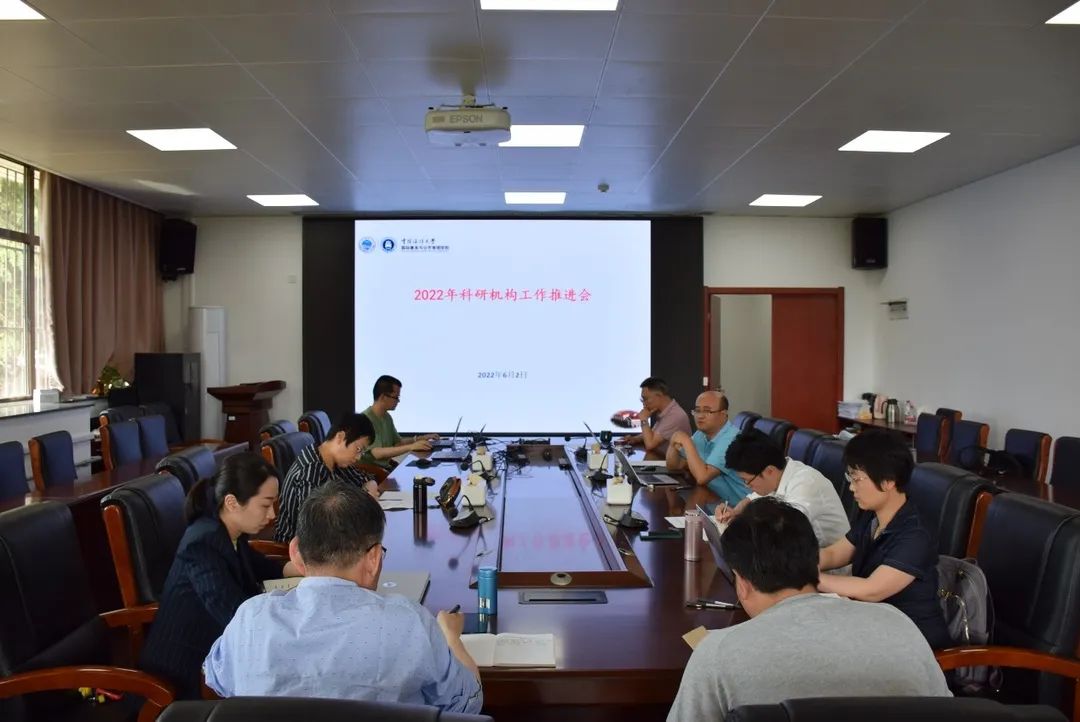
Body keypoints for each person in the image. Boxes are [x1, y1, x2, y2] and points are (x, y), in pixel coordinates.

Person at [205, 481, 483, 713]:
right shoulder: (410, 623)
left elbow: (217, 678)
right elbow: (466, 703)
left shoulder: (250, 618)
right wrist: (452, 638)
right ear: (374, 558)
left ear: (295, 553)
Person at [667, 497, 950, 722]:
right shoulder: (899, 624)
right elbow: (947, 711)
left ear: (742, 583)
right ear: (814, 561)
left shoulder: (717, 654)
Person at [140, 452, 299, 699]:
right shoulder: (202, 542)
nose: (272, 515)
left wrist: (304, 568)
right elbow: (232, 613)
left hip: (217, 649)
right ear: (232, 502)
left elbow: (263, 568)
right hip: (186, 673)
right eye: (265, 505)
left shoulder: (231, 531)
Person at [818, 429, 952, 649]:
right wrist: (797, 562)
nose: (851, 487)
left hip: (915, 644)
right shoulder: (872, 516)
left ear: (888, 481)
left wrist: (809, 576)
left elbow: (872, 589)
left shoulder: (915, 534)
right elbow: (835, 554)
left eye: (857, 478)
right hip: (876, 628)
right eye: (850, 477)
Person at [718, 429, 850, 547]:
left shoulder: (805, 485)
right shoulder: (777, 474)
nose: (746, 486)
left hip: (828, 562)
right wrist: (736, 512)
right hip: (797, 555)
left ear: (769, 471)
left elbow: (782, 533)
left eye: (747, 481)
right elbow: (752, 498)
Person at [275, 412, 380, 543]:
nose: (358, 457)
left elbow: (367, 479)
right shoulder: (310, 473)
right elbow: (314, 532)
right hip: (300, 548)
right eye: (358, 449)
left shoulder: (335, 460)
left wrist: (368, 491)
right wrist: (366, 499)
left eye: (362, 452)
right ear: (340, 437)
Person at [665, 389, 748, 506]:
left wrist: (687, 442)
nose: (700, 416)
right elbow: (675, 466)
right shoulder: (701, 434)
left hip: (741, 507)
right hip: (715, 500)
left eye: (707, 411)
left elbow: (702, 477)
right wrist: (673, 442)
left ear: (723, 414)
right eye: (697, 411)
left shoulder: (732, 439)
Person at [360, 375, 440, 469]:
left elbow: (398, 443)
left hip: (385, 468)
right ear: (383, 397)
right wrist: (411, 447)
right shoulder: (365, 419)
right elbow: (376, 453)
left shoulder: (387, 417)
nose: (398, 401)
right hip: (372, 472)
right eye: (396, 397)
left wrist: (422, 438)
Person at [621, 377, 692, 456]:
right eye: (642, 399)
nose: (644, 404)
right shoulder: (665, 411)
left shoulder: (675, 416)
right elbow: (654, 434)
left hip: (672, 463)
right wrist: (635, 439)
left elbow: (650, 444)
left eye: (645, 399)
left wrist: (644, 420)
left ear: (659, 395)